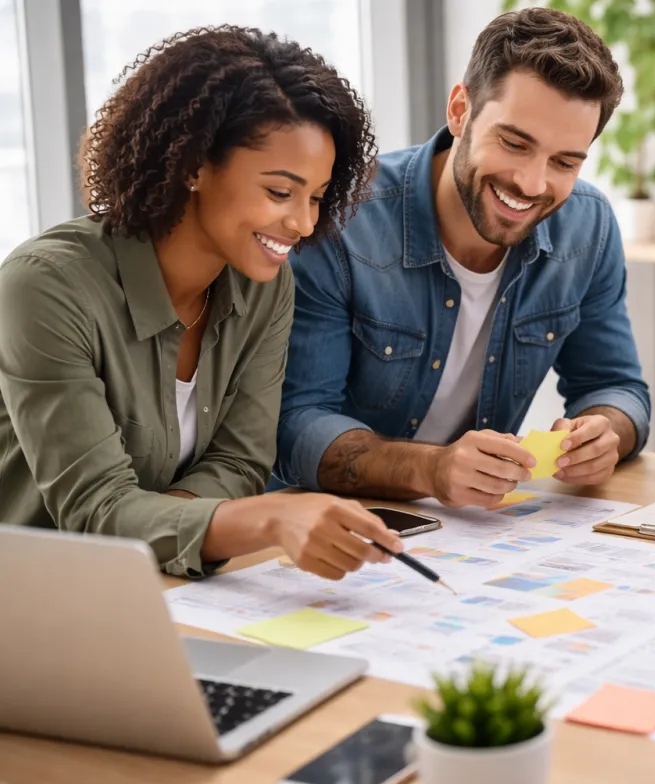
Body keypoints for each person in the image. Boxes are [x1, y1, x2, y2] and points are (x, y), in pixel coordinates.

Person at [0, 26, 403, 580]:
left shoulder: (266, 284)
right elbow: (95, 510)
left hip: (169, 589)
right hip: (43, 606)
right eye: (280, 193)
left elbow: (240, 462)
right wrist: (267, 520)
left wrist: (174, 529)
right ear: (191, 165)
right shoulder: (45, 288)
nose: (305, 223)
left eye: (315, 197)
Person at [273, 8, 650, 509]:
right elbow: (296, 425)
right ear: (459, 110)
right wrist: (430, 468)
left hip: (469, 536)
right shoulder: (342, 219)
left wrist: (607, 432)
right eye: (514, 143)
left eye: (564, 162)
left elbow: (617, 387)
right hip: (323, 524)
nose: (533, 184)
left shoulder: (588, 226)